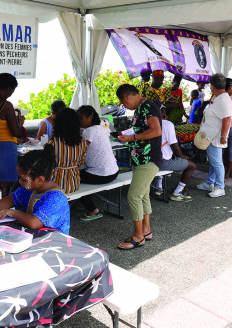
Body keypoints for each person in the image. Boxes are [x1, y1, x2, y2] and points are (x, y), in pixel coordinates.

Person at [0, 145, 70, 234]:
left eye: (24, 180)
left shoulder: (57, 198)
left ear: (40, 180)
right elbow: (11, 199)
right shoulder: (30, 188)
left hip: (55, 242)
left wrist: (14, 213)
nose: (20, 182)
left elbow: (34, 222)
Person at [116, 84, 162, 249]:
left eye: (122, 103)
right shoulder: (142, 108)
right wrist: (131, 136)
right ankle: (146, 230)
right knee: (142, 196)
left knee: (133, 196)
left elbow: (156, 131)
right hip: (141, 159)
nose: (123, 106)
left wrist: (132, 138)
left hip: (148, 158)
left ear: (127, 96)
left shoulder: (147, 106)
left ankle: (138, 236)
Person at [77, 105, 119, 221]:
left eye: (81, 118)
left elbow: (79, 151)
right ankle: (85, 202)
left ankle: (92, 209)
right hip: (113, 171)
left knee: (74, 178)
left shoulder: (89, 131)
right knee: (80, 173)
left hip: (103, 174)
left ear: (90, 117)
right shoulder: (100, 127)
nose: (79, 121)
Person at [196, 74, 232, 197]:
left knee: (216, 162)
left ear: (212, 86)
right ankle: (209, 183)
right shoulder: (219, 97)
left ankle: (220, 187)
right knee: (212, 161)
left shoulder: (223, 99)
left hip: (215, 138)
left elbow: (227, 118)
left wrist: (223, 136)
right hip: (211, 136)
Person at [154, 103, 196, 201]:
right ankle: (177, 193)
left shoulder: (146, 122)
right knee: (192, 166)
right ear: (163, 111)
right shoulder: (167, 124)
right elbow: (174, 146)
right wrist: (181, 155)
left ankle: (158, 187)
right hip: (162, 162)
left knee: (163, 156)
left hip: (149, 160)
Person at [49, 108, 88, 194]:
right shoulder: (82, 141)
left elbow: (49, 163)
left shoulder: (53, 141)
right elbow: (81, 162)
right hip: (74, 183)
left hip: (56, 184)